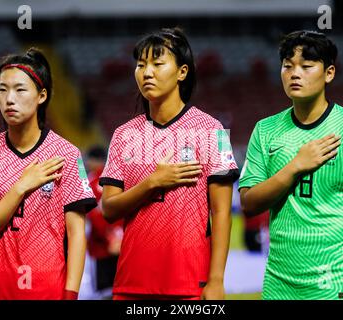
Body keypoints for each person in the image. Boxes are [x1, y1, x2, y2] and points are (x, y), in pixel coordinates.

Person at [239, 30, 343, 300]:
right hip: (279, 284)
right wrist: (295, 167)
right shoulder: (265, 130)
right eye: (287, 66)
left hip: (337, 282)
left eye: (307, 66)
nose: (294, 73)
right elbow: (249, 203)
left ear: (329, 73)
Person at [100, 27, 239, 300]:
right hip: (131, 285)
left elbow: (222, 213)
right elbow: (109, 209)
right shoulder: (124, 134)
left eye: (157, 63)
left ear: (182, 72)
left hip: (190, 285)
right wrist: (152, 182)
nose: (146, 72)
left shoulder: (211, 131)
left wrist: (216, 280)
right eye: (141, 65)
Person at [0, 48, 97, 300]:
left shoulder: (67, 153)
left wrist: (71, 293)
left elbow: (76, 233)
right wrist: (21, 187)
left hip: (48, 289)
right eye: (2, 89)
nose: (10, 99)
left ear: (41, 95)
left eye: (20, 89)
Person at [85, 145, 123, 299]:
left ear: (93, 161)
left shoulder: (91, 180)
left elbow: (93, 214)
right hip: (122, 243)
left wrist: (109, 238)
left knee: (105, 292)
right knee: (121, 289)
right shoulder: (118, 176)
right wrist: (119, 236)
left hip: (101, 246)